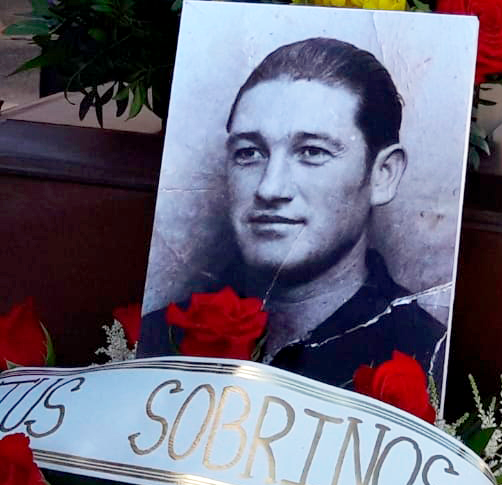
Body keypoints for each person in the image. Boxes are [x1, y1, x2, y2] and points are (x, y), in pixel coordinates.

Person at [146, 37, 447, 388]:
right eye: (249, 153)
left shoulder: (428, 358)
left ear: (383, 175)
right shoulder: (159, 337)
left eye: (312, 152)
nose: (269, 189)